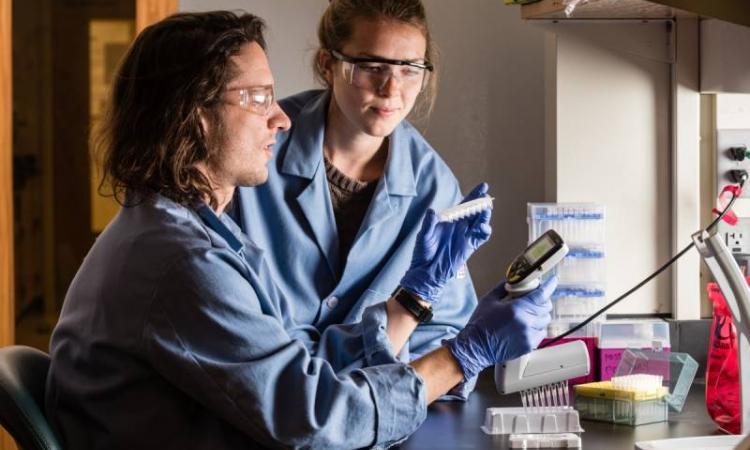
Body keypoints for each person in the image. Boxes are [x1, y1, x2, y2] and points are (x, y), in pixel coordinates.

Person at [45, 10, 557, 450]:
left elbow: (294, 360)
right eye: (258, 98)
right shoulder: (183, 261)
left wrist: (412, 300)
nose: (281, 119)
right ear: (195, 115)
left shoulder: (190, 230)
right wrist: (463, 355)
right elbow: (319, 419)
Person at [231, 0, 483, 397]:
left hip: (376, 417)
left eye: (409, 69)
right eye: (371, 67)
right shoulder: (257, 153)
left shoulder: (436, 188)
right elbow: (231, 319)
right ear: (328, 64)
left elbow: (444, 336)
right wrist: (382, 346)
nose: (392, 89)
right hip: (259, 404)